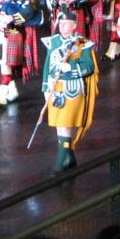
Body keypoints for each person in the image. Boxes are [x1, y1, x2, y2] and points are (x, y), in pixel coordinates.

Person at [41, 10, 100, 173]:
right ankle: (69, 158)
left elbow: (89, 67)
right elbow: (47, 66)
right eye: (60, 23)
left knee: (65, 124)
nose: (62, 26)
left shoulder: (82, 43)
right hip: (56, 87)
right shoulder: (53, 42)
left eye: (66, 23)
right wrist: (45, 87)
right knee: (59, 125)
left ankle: (61, 160)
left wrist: (71, 67)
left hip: (72, 89)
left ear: (74, 26)